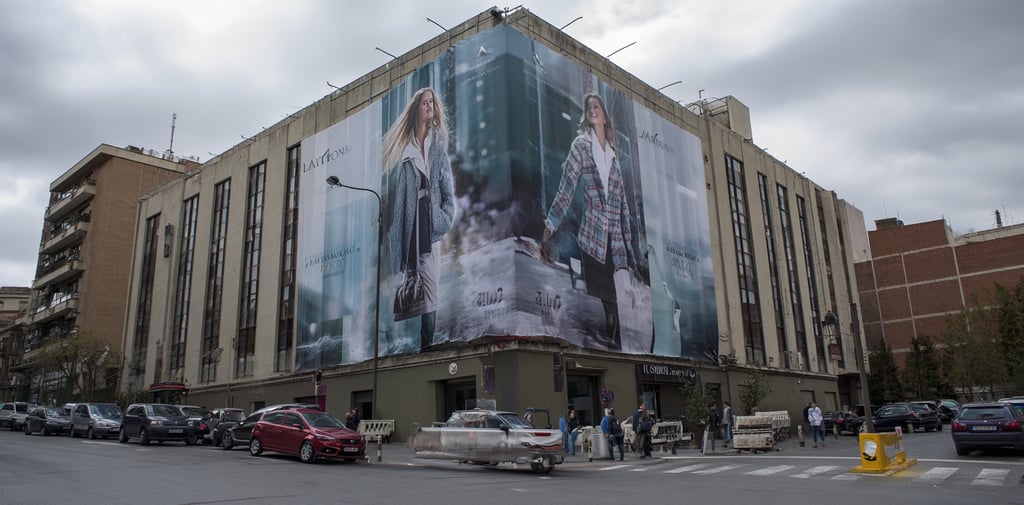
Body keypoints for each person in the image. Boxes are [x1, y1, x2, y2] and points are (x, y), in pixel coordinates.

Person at [541, 92, 636, 351]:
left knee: (612, 300)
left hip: (614, 241)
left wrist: (629, 252)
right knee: (605, 300)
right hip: (593, 237)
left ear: (604, 115)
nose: (592, 109)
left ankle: (612, 347)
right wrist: (549, 225)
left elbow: (623, 208)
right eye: (588, 107)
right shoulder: (581, 146)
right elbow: (566, 188)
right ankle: (609, 348)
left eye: (596, 106)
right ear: (587, 116)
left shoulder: (615, 158)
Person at [384, 87, 455, 350]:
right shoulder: (406, 152)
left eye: (432, 103)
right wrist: (397, 248)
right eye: (425, 103)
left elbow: (448, 192)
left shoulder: (438, 147)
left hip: (431, 229)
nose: (429, 107)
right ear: (417, 108)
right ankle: (417, 347)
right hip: (411, 230)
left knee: (431, 291)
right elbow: (400, 205)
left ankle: (427, 347)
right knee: (415, 289)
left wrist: (441, 220)